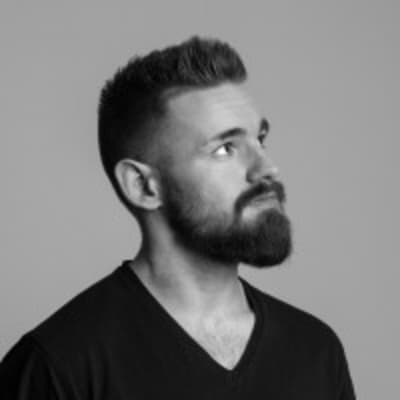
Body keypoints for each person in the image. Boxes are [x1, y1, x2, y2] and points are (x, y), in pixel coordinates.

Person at [0, 36, 356, 399]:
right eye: (225, 149)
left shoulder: (315, 351)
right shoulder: (60, 365)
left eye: (260, 141)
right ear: (143, 186)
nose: (267, 168)